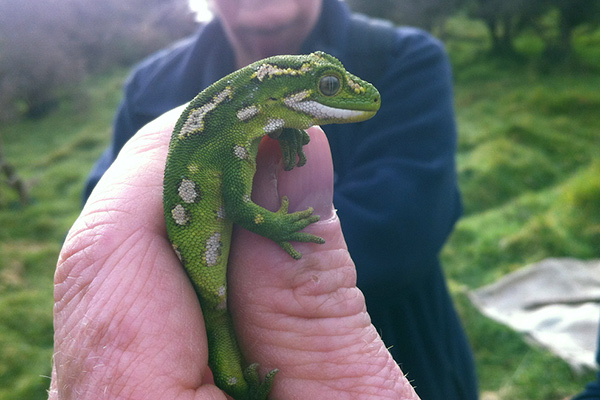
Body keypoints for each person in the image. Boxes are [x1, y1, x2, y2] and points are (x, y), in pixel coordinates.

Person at [76, 0, 478, 398]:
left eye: (330, 84)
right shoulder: (150, 87)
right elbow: (110, 221)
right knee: (223, 343)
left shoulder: (405, 57)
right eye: (329, 87)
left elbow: (408, 229)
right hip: (203, 314)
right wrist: (280, 227)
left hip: (415, 350)